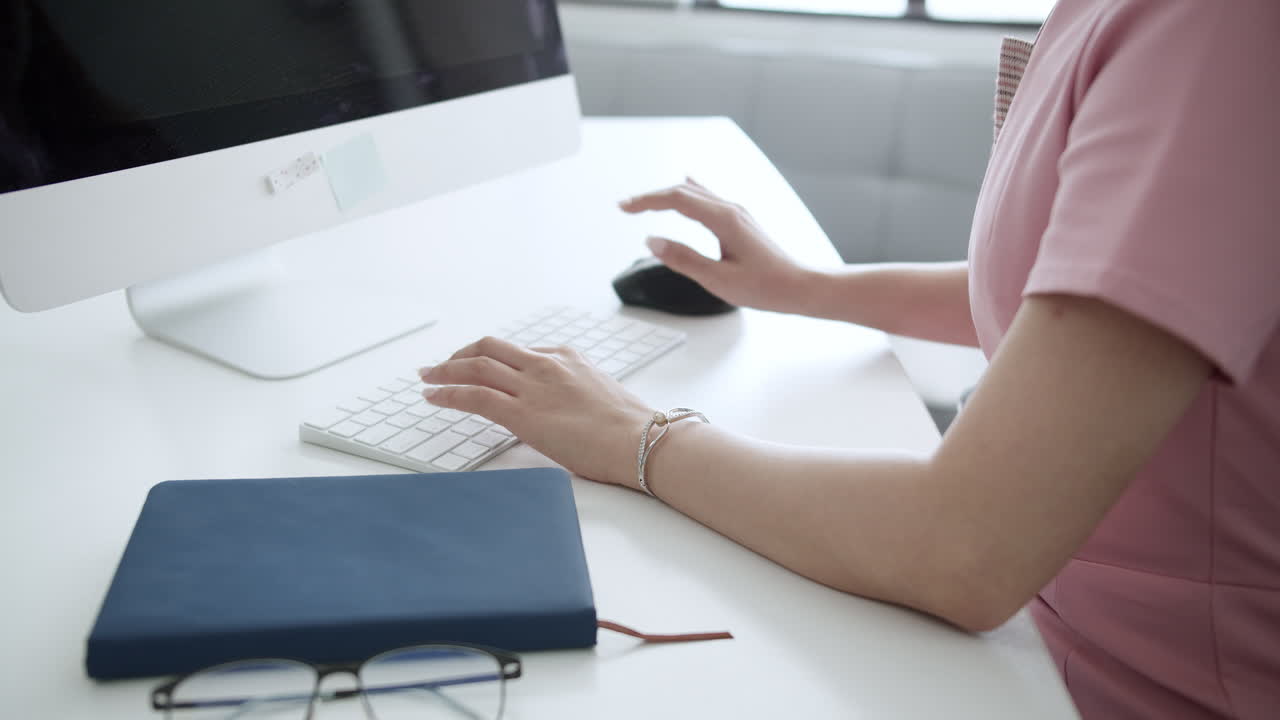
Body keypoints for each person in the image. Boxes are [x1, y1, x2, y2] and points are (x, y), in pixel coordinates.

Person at [418, 1, 1279, 718]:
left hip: (1144, 685)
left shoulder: (1213, 28)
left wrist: (637, 437)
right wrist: (804, 287)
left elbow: (964, 551)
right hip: (1050, 635)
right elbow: (1081, 289)